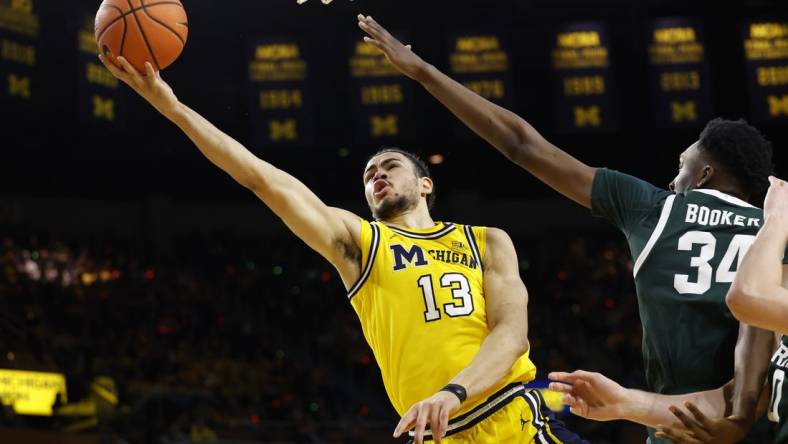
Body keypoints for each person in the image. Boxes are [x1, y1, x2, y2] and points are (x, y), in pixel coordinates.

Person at [98, 54, 587, 443]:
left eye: (389, 166)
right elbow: (261, 179)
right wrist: (174, 108)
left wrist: (453, 392)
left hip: (511, 419)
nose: (376, 176)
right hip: (436, 434)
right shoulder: (360, 243)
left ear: (424, 185)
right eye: (369, 174)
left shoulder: (486, 240)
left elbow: (512, 335)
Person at [356, 14, 776, 443]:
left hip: (680, 425)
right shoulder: (774, 233)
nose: (673, 181)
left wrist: (423, 72)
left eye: (682, 166)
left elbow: (522, 145)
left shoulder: (657, 208)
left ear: (705, 175)